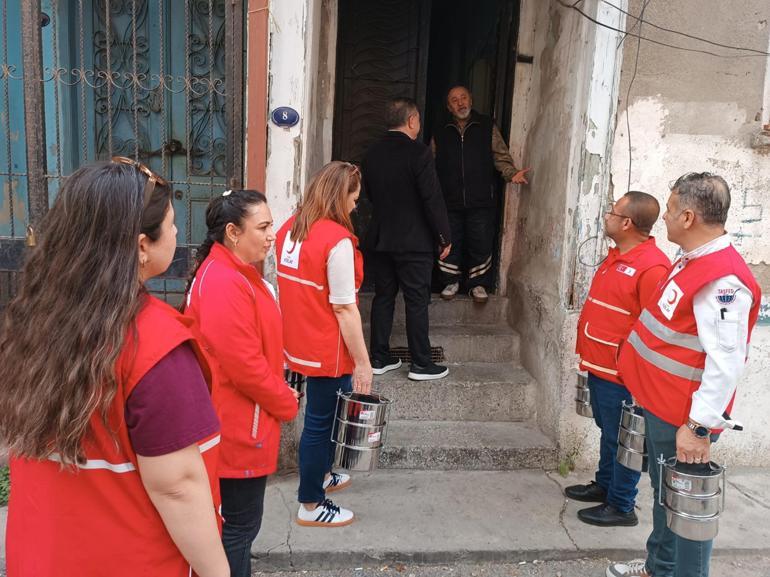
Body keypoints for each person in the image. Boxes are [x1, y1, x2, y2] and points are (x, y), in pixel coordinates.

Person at [0, 159, 228, 577]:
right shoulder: (156, 345)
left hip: (40, 555)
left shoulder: (34, 321)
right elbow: (177, 487)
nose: (178, 234)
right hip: (127, 558)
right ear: (142, 246)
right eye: (173, 224)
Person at [607, 173, 762, 577]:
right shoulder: (695, 258)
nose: (666, 218)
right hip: (661, 404)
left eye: (672, 210)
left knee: (686, 507)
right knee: (665, 497)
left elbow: (726, 362)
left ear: (689, 217)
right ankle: (658, 568)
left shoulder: (723, 279)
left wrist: (698, 428)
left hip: (682, 415)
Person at [184, 189, 300, 577]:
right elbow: (243, 365)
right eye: (264, 227)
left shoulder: (235, 273)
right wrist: (284, 400)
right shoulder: (223, 281)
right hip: (235, 426)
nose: (272, 235)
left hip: (241, 420)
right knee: (237, 529)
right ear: (233, 232)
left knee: (238, 529)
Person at [276, 161, 373, 527]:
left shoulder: (291, 228)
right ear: (338, 197)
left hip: (296, 340)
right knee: (321, 424)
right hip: (327, 348)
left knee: (318, 421)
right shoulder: (337, 241)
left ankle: (321, 477)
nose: (355, 206)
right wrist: (362, 362)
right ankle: (311, 503)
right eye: (353, 198)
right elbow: (345, 309)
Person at [567, 191, 670, 527]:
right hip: (600, 365)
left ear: (626, 222)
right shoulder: (617, 256)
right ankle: (605, 484)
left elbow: (654, 329)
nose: (606, 216)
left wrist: (639, 377)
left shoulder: (652, 267)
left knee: (624, 437)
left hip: (622, 373)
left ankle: (622, 504)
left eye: (612, 212)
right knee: (608, 431)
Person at [362, 97, 452, 381]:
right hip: (414, 242)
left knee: (383, 296)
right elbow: (432, 199)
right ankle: (421, 364)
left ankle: (378, 357)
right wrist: (443, 236)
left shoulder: (371, 153)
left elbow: (370, 197)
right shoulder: (420, 153)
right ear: (412, 120)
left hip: (381, 239)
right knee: (416, 300)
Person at [432, 85, 531, 303]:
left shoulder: (486, 126)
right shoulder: (440, 130)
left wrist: (511, 174)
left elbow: (500, 156)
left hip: (480, 198)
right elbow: (430, 164)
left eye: (464, 97)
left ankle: (477, 284)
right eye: (455, 100)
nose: (460, 103)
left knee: (480, 241)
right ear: (449, 107)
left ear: (471, 100)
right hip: (448, 199)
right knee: (450, 240)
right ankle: (450, 281)